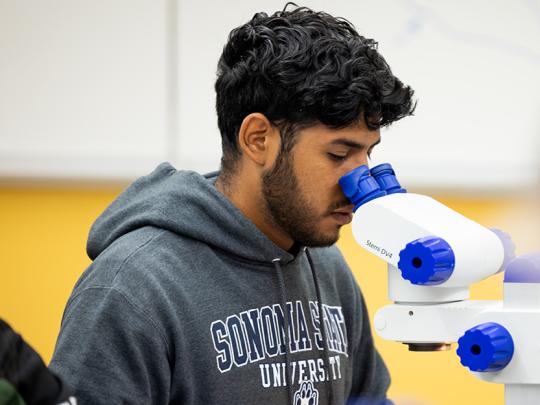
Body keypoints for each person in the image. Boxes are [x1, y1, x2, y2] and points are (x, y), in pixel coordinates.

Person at [49, 4, 415, 404]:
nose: (359, 184)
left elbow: (366, 396)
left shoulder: (327, 267)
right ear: (258, 139)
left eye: (367, 155)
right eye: (338, 154)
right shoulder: (131, 290)